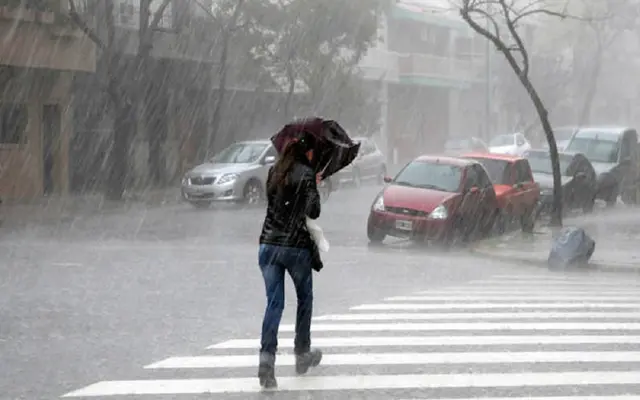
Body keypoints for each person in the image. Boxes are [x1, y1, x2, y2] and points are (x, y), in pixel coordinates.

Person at [257, 131, 323, 389]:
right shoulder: (306, 173)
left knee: (274, 304)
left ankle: (266, 362)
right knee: (304, 299)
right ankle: (302, 353)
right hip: (295, 248)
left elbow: (274, 205)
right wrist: (314, 186)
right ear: (307, 153)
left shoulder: (274, 172)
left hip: (268, 245)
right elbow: (313, 211)